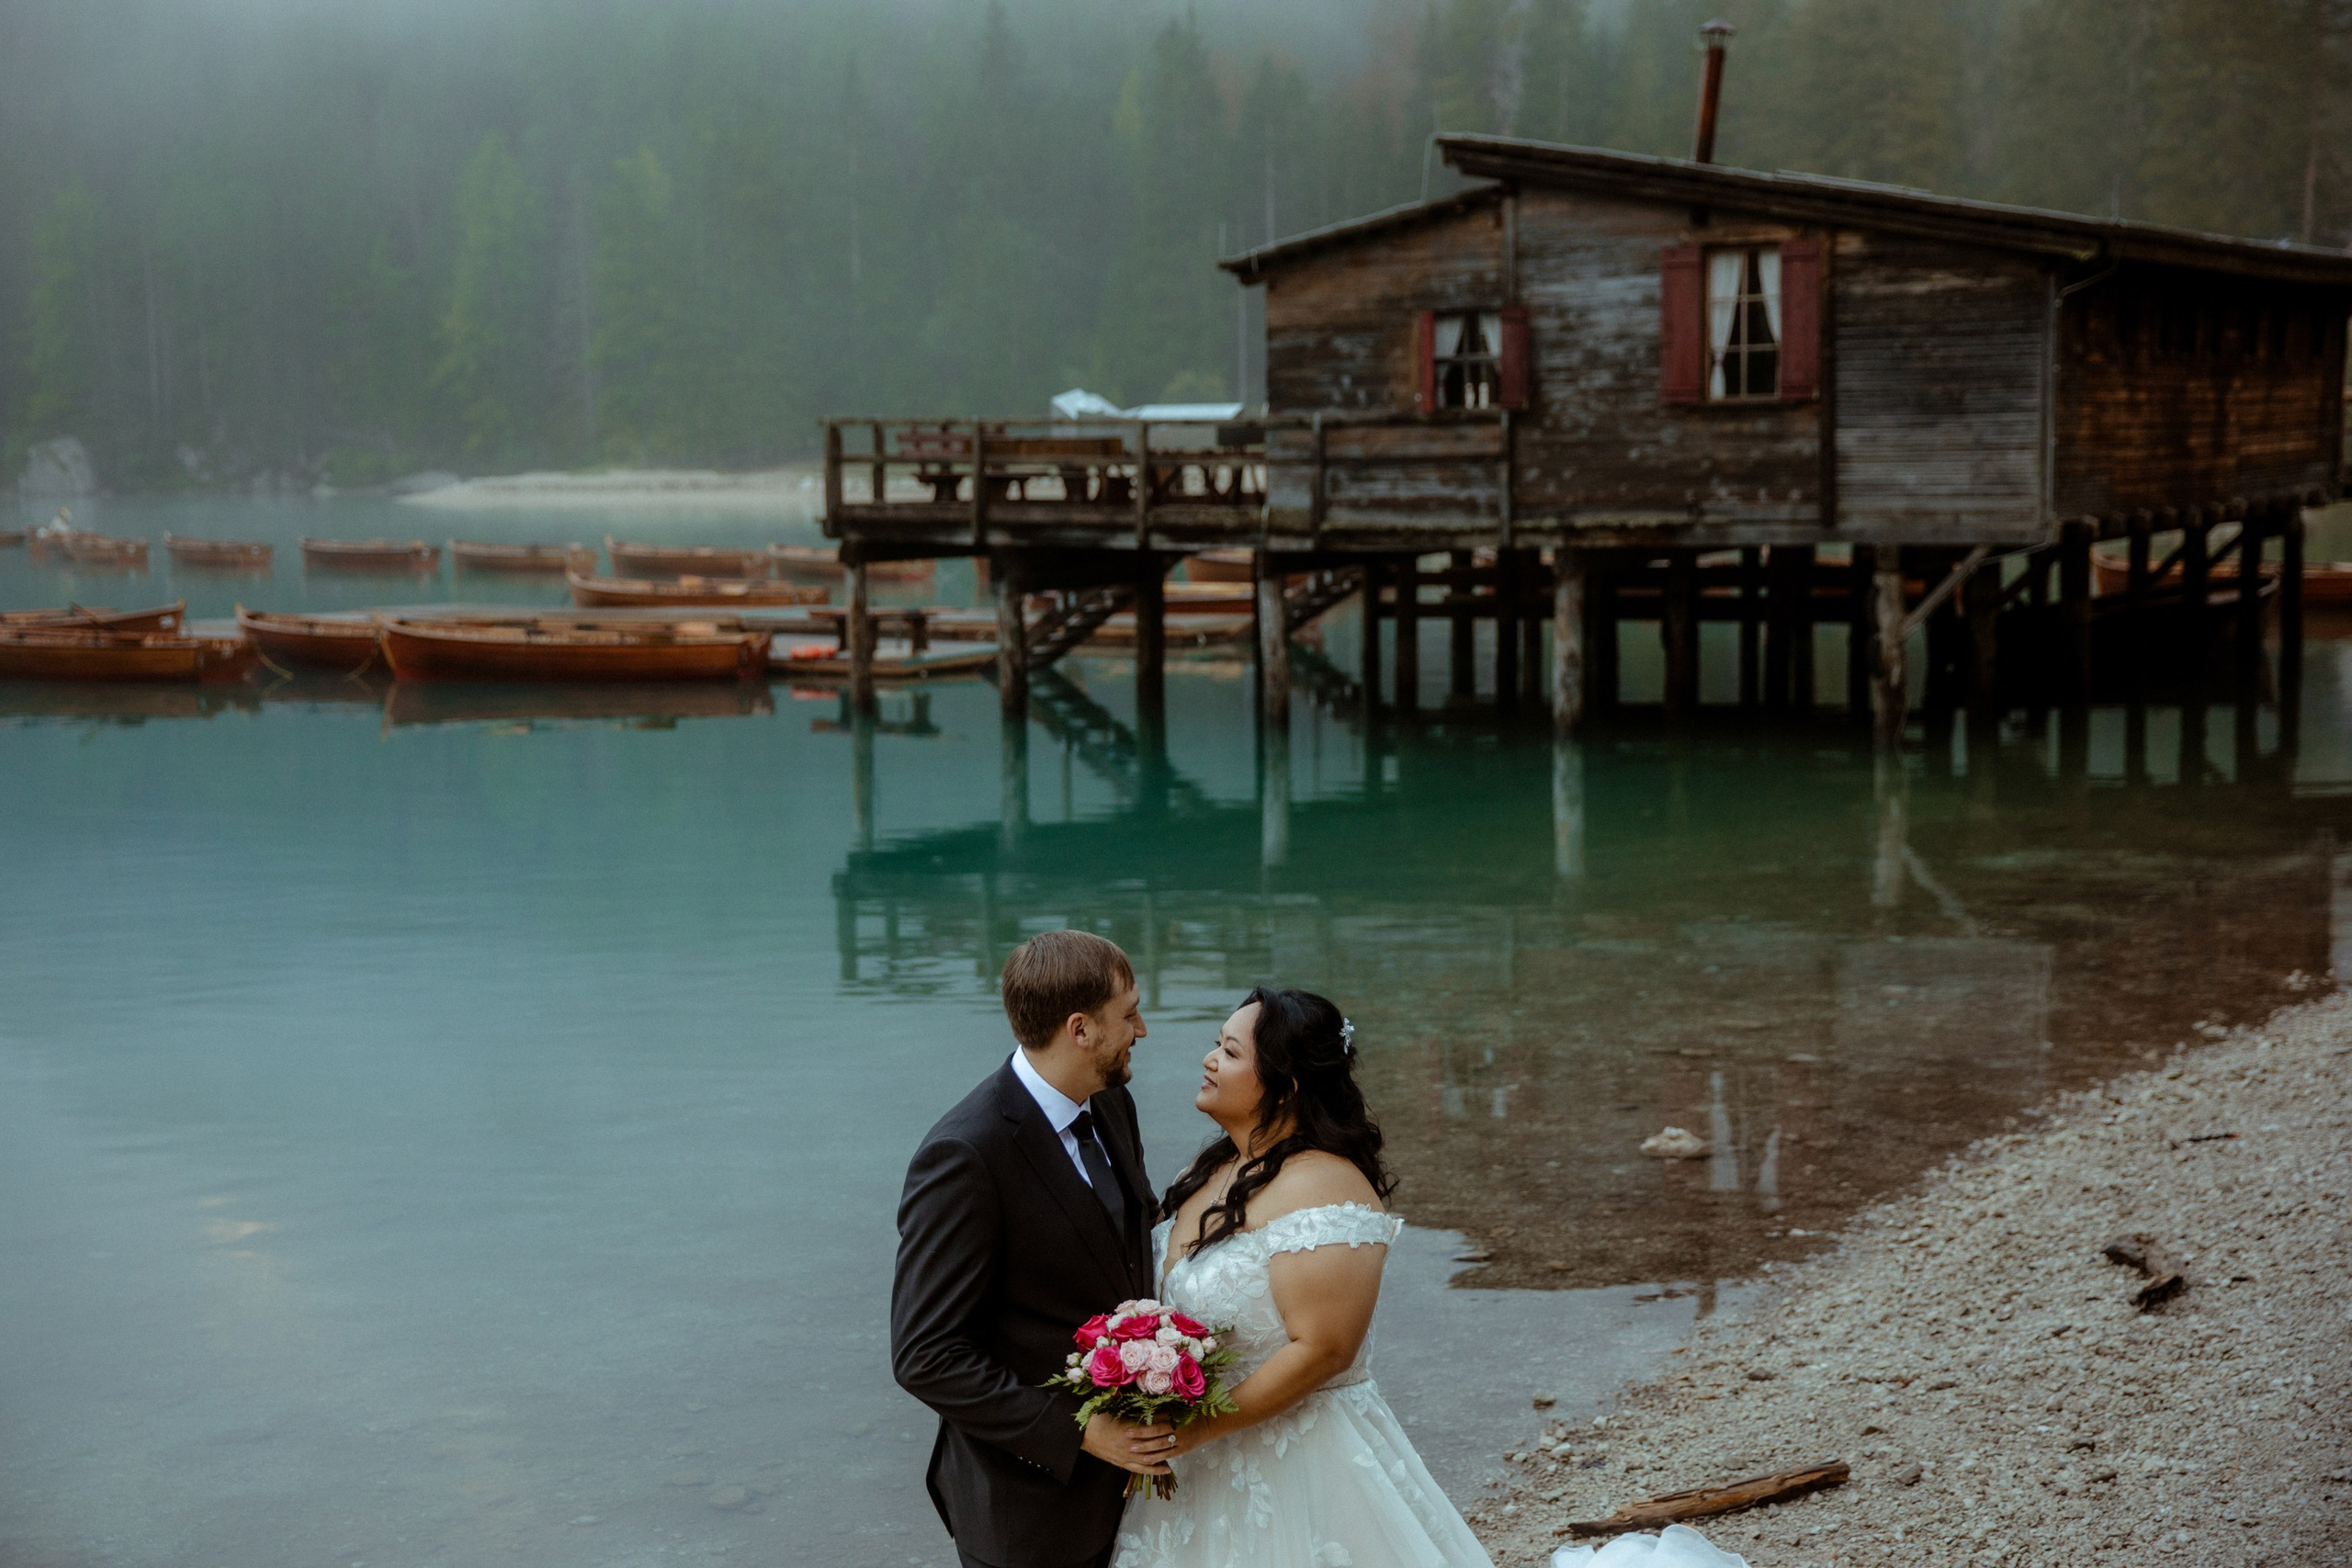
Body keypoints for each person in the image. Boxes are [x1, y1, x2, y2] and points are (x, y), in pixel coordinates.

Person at [1110, 985, 1494, 1568]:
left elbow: (1325, 1349)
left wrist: (1198, 1430)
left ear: (1285, 1086)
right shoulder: (1210, 1170)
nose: (1209, 1059)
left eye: (1230, 1052)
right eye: (1217, 1044)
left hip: (1301, 1462)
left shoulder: (1324, 1186)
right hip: (1196, 1464)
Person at [892, 930, 1175, 1568]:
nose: (1142, 1029)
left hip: (1129, 1495)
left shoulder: (1112, 1102)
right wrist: (1082, 1431)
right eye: (1129, 1014)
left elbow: (1125, 1245)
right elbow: (925, 1357)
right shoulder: (965, 1156)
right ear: (1081, 1029)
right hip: (1026, 1512)